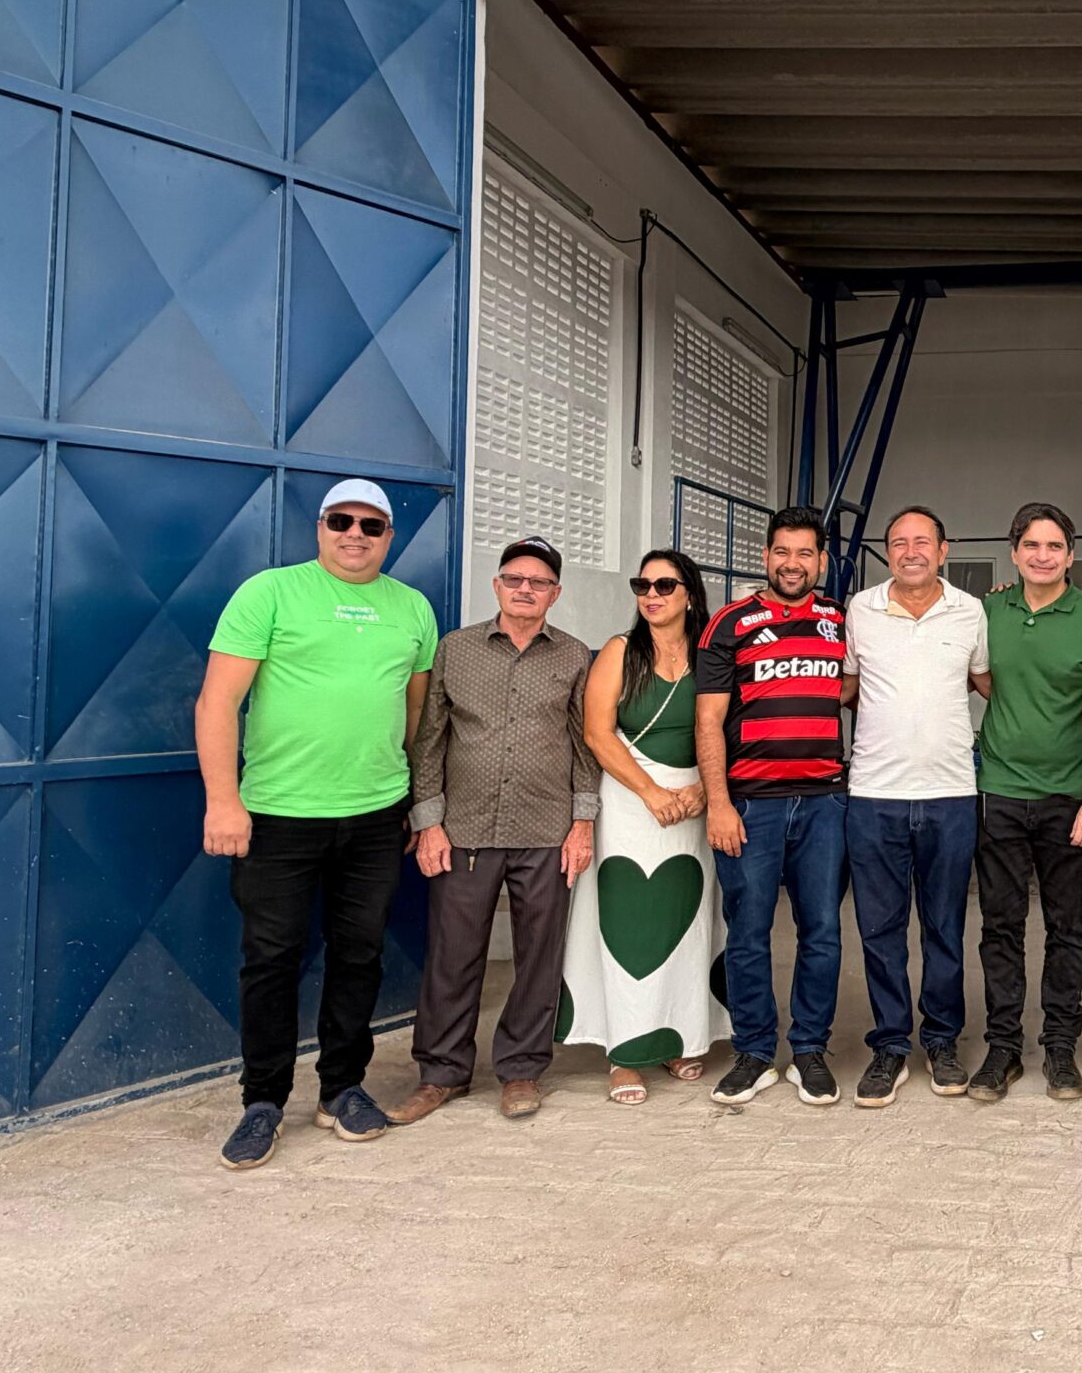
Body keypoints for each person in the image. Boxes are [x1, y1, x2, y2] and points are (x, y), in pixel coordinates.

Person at [197, 478, 441, 1170]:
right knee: (271, 959)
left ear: (389, 536)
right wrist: (223, 801)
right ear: (320, 528)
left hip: (375, 815)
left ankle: (342, 1089)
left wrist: (413, 800)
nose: (355, 535)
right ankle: (263, 1101)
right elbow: (217, 704)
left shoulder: (413, 609)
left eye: (371, 525)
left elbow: (415, 714)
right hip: (279, 815)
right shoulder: (269, 594)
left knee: (359, 954)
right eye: (341, 521)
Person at [389, 538, 599, 1126]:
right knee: (452, 956)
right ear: (497, 585)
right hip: (465, 831)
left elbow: (585, 744)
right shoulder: (455, 650)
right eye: (515, 579)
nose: (525, 589)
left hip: (547, 829)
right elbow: (430, 739)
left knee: (539, 956)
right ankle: (441, 1074)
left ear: (555, 594)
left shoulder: (574, 655)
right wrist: (429, 822)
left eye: (539, 582)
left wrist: (582, 824)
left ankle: (522, 1070)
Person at [560, 549, 729, 1104]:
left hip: (694, 802)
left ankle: (681, 1035)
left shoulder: (712, 652)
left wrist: (704, 790)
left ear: (690, 594)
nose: (651, 595)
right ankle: (625, 1053)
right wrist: (651, 792)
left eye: (664, 585)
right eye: (642, 585)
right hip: (631, 802)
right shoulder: (620, 650)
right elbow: (597, 732)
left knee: (688, 923)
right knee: (627, 926)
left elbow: (729, 726)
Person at [697, 508, 851, 1109]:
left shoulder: (839, 620)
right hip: (749, 805)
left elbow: (853, 686)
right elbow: (708, 720)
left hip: (823, 804)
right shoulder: (729, 623)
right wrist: (718, 803)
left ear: (821, 560)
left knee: (823, 931)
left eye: (805, 553)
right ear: (765, 557)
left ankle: (809, 1049)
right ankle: (755, 1053)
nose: (793, 564)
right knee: (748, 932)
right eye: (782, 552)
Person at [843, 505, 992, 1106]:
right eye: (899, 542)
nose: (911, 551)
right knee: (879, 930)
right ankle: (889, 1045)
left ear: (943, 549)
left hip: (951, 793)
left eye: (922, 541)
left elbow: (987, 682)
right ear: (888, 552)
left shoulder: (971, 611)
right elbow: (847, 688)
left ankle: (942, 1039)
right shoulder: (860, 609)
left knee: (944, 927)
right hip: (873, 795)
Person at [970, 503, 1082, 1103]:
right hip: (1001, 792)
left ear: (1071, 555)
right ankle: (1003, 1047)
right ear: (1014, 553)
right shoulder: (987, 612)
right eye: (1031, 545)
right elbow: (983, 679)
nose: (1042, 556)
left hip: (1069, 796)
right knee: (1000, 926)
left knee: (1067, 926)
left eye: (1054, 546)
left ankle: (1060, 1046)